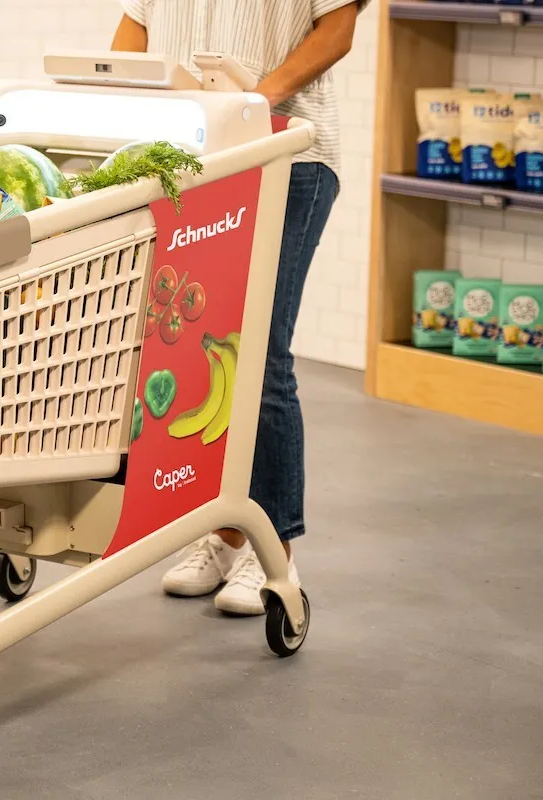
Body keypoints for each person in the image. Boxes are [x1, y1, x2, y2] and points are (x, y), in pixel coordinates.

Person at [112, 0, 362, 616]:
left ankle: (273, 551)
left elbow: (338, 29)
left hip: (287, 155)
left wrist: (257, 101)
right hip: (188, 161)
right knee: (203, 346)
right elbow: (132, 33)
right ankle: (223, 535)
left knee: (261, 353)